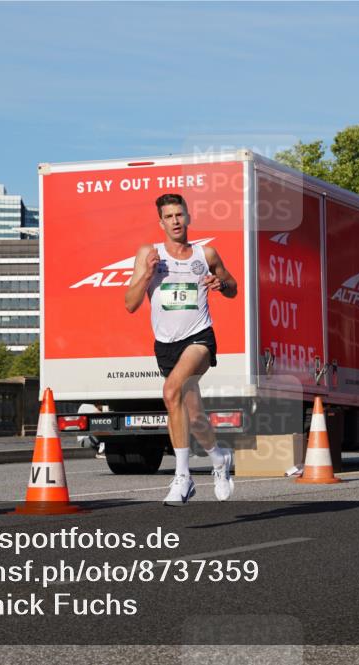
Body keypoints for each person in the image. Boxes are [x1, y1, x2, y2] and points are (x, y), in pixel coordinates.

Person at [124, 193, 238, 506]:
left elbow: (233, 288)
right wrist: (147, 274)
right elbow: (130, 304)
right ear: (161, 223)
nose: (175, 221)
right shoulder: (150, 254)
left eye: (179, 215)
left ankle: (183, 477)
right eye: (169, 217)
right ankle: (219, 458)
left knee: (170, 391)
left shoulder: (206, 253)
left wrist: (220, 284)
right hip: (166, 346)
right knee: (195, 414)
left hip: (199, 338)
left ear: (187, 217)